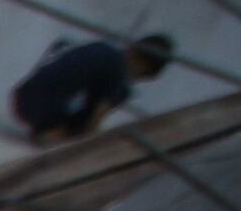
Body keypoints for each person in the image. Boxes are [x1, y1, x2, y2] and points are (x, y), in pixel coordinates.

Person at [13, 29, 174, 139]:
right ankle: (51, 134)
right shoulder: (119, 74)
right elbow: (97, 118)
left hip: (22, 97)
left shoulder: (102, 48)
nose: (136, 80)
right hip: (40, 111)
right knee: (107, 102)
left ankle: (50, 129)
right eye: (142, 76)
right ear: (144, 66)